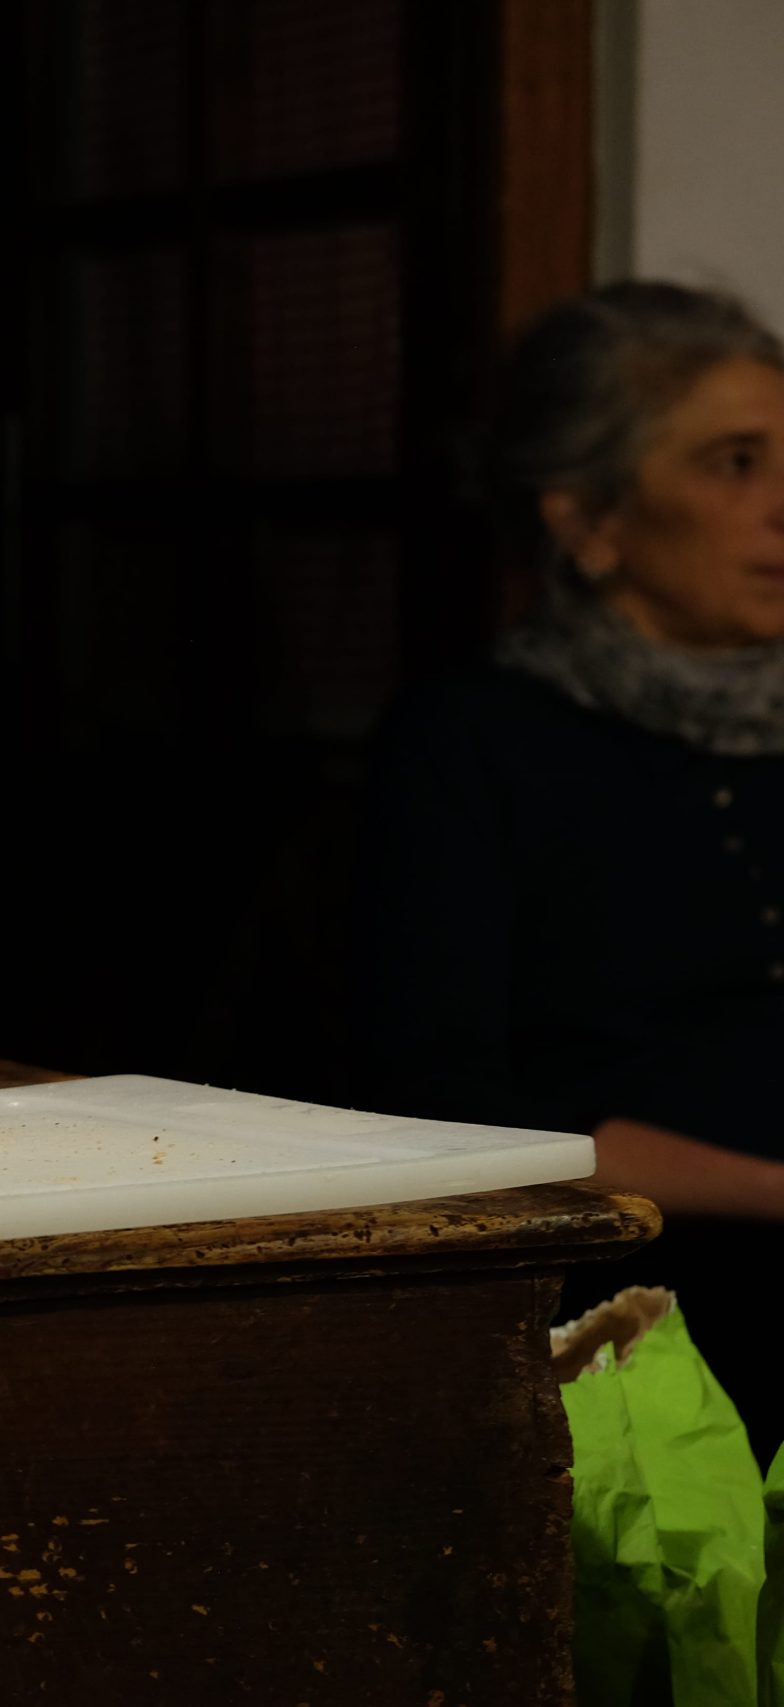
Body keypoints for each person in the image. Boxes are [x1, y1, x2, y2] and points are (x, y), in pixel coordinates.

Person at [353, 280, 784, 1453]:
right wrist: (769, 1189)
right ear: (588, 519)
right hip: (628, 1308)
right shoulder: (470, 742)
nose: (779, 506)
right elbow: (443, 1105)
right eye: (734, 464)